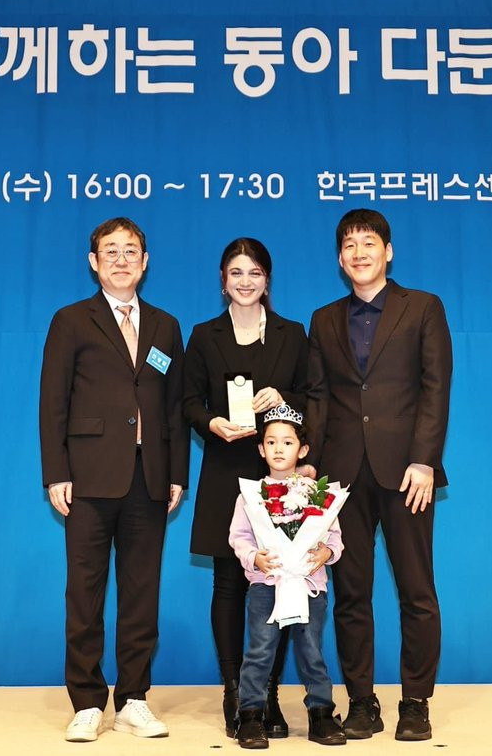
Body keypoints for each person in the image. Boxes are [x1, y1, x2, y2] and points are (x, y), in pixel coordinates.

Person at [303, 209, 452, 742]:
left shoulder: (423, 307)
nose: (359, 252)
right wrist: (311, 464)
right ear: (340, 259)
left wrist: (424, 460)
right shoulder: (324, 319)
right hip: (342, 478)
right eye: (349, 245)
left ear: (387, 251)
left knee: (417, 591)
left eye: (368, 243)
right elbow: (318, 397)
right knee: (351, 593)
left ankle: (416, 702)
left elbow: (436, 387)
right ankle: (362, 702)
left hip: (407, 472)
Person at [39, 216, 189, 743]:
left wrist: (176, 473)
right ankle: (86, 702)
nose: (121, 259)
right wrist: (56, 472)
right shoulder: (71, 321)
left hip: (149, 477)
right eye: (111, 251)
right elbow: (52, 402)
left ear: (145, 262)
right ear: (94, 262)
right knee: (85, 594)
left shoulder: (166, 326)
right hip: (88, 478)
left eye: (130, 251)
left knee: (141, 594)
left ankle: (133, 699)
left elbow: (174, 406)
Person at [183, 237, 309, 737]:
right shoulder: (203, 335)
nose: (245, 281)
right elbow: (187, 401)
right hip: (224, 471)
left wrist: (284, 400)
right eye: (236, 272)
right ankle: (235, 691)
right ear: (222, 280)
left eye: (254, 272)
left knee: (278, 581)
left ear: (267, 280)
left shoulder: (292, 334)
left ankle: (268, 691)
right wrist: (211, 423)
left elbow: (309, 403)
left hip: (276, 475)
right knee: (229, 584)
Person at [228, 404, 347, 749]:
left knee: (312, 652)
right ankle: (251, 715)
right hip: (267, 586)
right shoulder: (250, 496)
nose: (279, 449)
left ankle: (321, 713)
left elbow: (334, 537)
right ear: (261, 449)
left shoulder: (318, 495)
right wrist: (255, 557)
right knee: (260, 651)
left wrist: (326, 553)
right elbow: (239, 537)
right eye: (271, 442)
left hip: (310, 586)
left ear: (303, 449)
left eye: (288, 442)